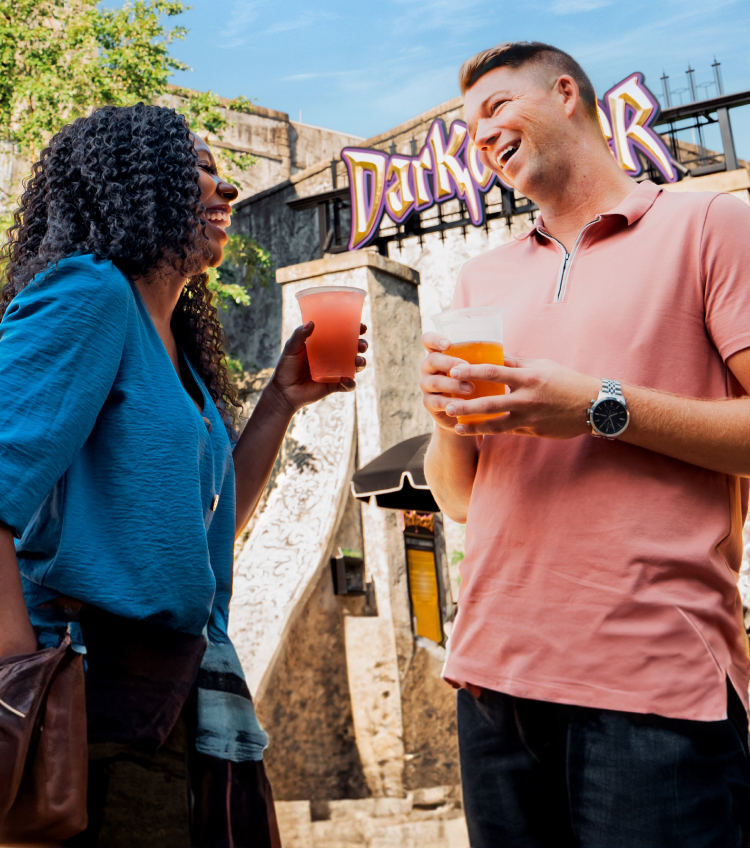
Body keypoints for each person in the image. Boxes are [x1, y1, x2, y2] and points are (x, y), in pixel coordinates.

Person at [0, 102, 367, 848]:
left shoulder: (177, 350)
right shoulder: (91, 294)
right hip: (89, 697)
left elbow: (194, 542)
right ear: (132, 186)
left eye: (219, 170)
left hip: (174, 695)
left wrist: (279, 404)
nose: (224, 189)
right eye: (195, 168)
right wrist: (18, 686)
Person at [420, 41, 750, 848]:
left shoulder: (709, 223)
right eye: (467, 126)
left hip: (653, 682)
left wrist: (599, 407)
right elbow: (463, 498)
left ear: (567, 94)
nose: (481, 134)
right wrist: (445, 419)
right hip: (492, 682)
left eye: (496, 107)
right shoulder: (479, 280)